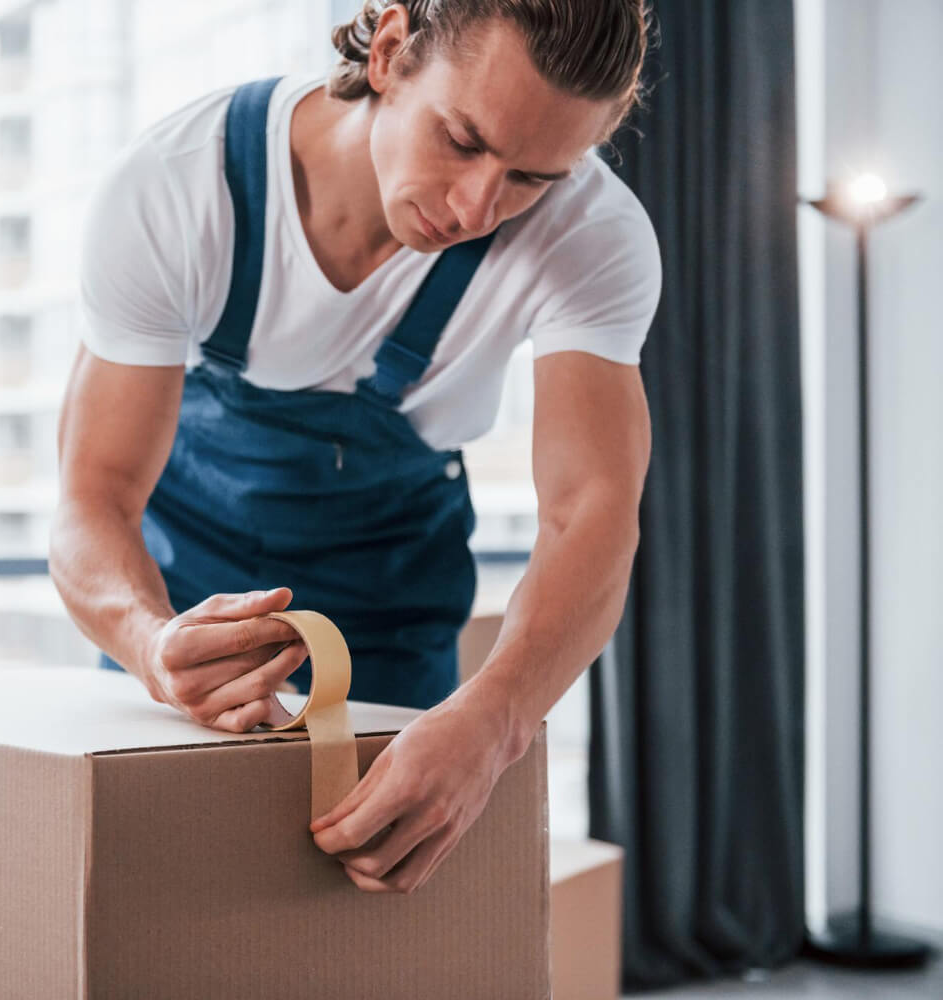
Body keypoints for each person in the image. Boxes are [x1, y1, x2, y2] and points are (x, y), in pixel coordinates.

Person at [49, 0, 658, 894]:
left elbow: (591, 512)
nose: (478, 207)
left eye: (531, 178)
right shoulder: (176, 187)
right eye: (462, 139)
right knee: (165, 893)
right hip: (185, 597)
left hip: (392, 584)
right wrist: (148, 643)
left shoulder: (594, 236)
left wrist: (497, 720)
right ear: (390, 52)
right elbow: (91, 496)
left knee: (373, 903)